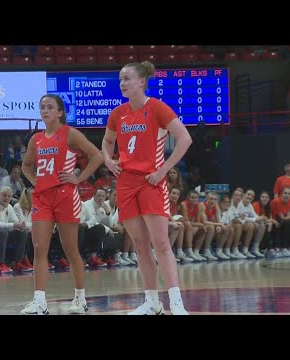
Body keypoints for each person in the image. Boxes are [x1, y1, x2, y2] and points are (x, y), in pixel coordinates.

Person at [101, 61, 192, 315]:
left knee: (161, 243)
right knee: (140, 245)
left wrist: (163, 170)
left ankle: (176, 302)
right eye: (120, 79)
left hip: (151, 181)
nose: (123, 83)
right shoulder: (118, 113)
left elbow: (185, 138)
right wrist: (108, 160)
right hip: (126, 183)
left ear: (142, 81)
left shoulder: (157, 108)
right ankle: (152, 302)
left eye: (128, 78)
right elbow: (107, 142)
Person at [20, 94, 103, 315]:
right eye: (42, 107)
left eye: (49, 107)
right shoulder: (35, 139)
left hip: (66, 196)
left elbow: (97, 156)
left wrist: (79, 177)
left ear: (60, 112)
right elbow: (26, 166)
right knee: (39, 249)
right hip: (42, 198)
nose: (45, 111)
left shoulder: (70, 133)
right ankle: (39, 302)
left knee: (70, 249)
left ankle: (80, 298)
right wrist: (34, 181)